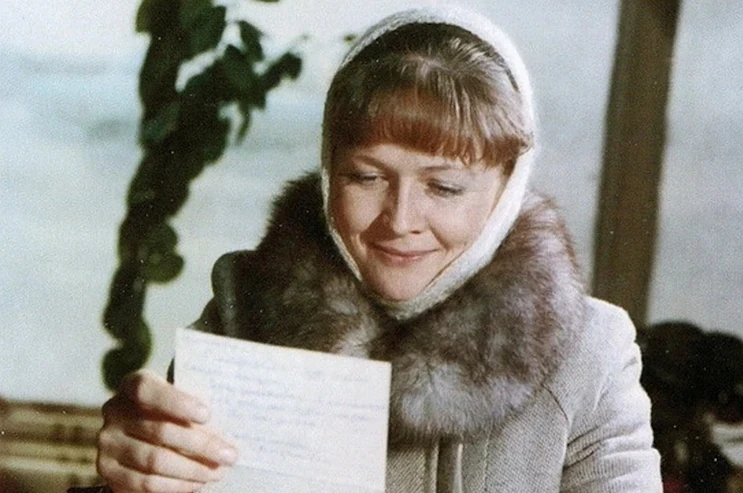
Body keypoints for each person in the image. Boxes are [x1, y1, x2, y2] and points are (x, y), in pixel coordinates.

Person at [95, 6, 662, 492]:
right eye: (366, 177)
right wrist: (128, 482)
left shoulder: (591, 359)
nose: (400, 221)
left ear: (507, 190)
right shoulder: (240, 315)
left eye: (445, 187)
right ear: (328, 171)